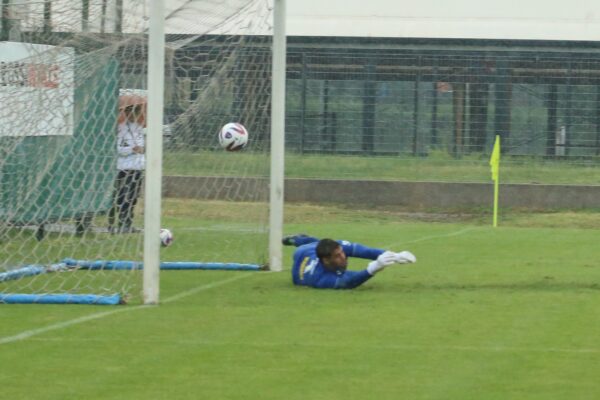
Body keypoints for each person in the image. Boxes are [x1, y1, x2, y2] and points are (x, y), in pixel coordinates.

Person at [283, 234, 416, 289]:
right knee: (304, 245)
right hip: (302, 255)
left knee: (315, 242)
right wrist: (373, 268)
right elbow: (349, 281)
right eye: (337, 256)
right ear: (326, 260)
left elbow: (365, 251)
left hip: (313, 249)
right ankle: (294, 240)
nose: (343, 257)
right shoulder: (320, 279)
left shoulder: (339, 249)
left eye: (342, 252)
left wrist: (395, 256)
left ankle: (297, 238)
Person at [108, 104, 145, 233]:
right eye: (131, 111)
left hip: (138, 167)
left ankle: (128, 223)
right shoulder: (121, 129)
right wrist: (131, 149)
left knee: (133, 197)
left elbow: (141, 147)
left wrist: (141, 151)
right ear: (127, 112)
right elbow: (118, 149)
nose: (135, 114)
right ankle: (118, 223)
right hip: (125, 167)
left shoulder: (139, 129)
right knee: (124, 196)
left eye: (137, 111)